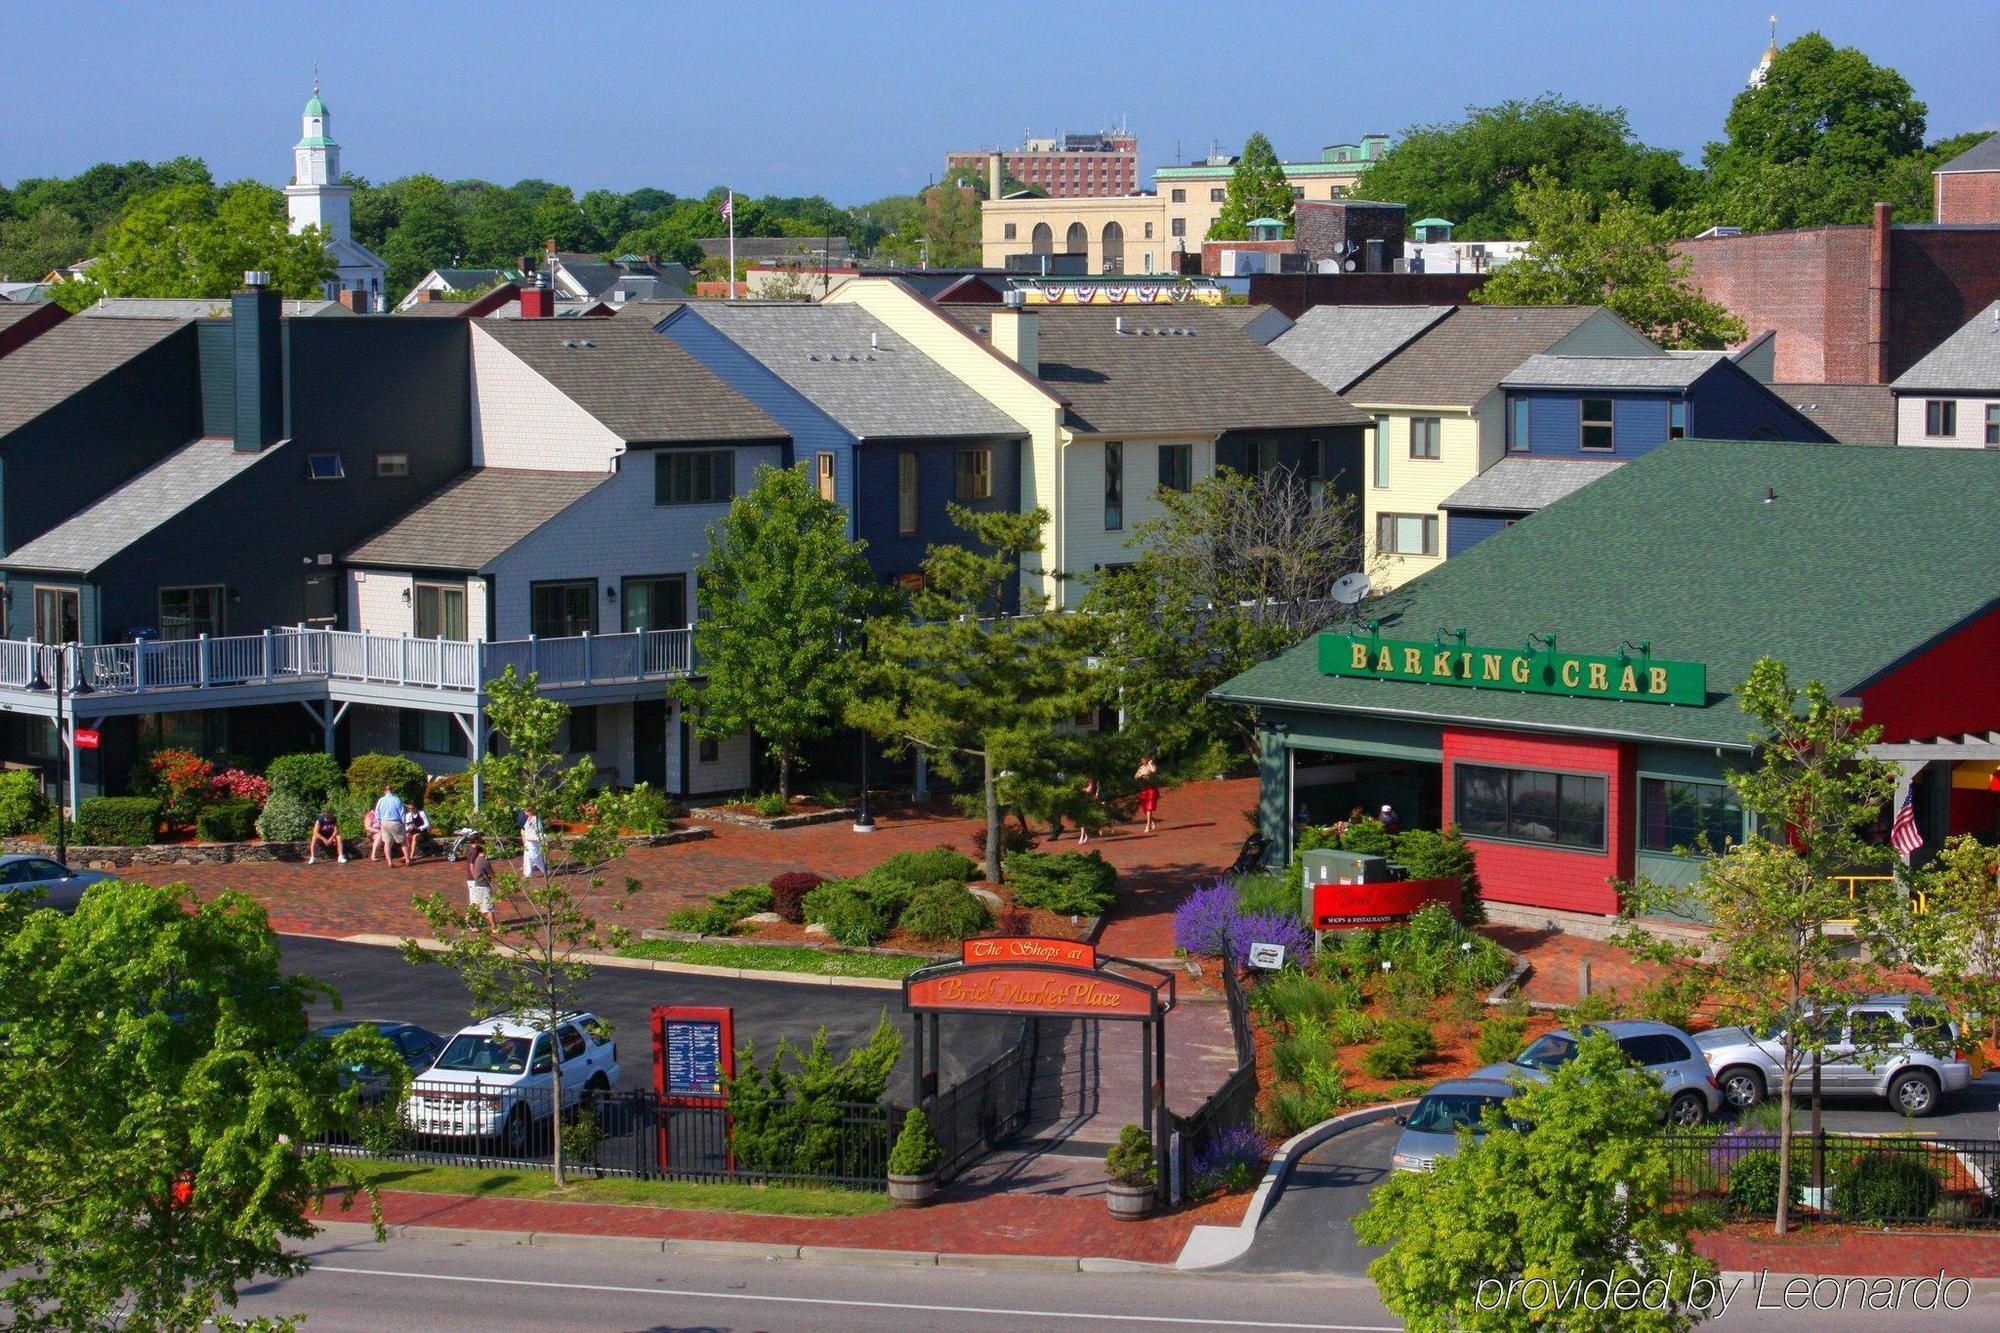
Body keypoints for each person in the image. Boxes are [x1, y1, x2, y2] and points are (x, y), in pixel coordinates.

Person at [464, 837, 497, 929]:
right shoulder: (475, 852)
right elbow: (471, 867)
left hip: (475, 881)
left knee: (476, 902)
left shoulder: (472, 850)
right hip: (474, 881)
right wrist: (477, 880)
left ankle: (472, 920)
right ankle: (468, 921)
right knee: (475, 902)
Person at [374, 785, 408, 866]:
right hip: (395, 822)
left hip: (384, 822)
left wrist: (380, 821)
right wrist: (403, 823)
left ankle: (389, 862)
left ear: (384, 791)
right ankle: (407, 860)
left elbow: (377, 813)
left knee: (387, 843)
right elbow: (402, 813)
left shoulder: (381, 800)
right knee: (403, 842)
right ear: (392, 791)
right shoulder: (396, 799)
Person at [1134, 754, 1160, 834]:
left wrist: (1150, 763)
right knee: (1145, 808)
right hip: (1143, 789)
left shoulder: (1151, 766)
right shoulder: (1141, 768)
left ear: (1147, 760)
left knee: (1149, 807)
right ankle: (1151, 821)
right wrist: (1141, 775)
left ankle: (1148, 826)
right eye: (1142, 760)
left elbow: (1154, 771)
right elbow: (1135, 776)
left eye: (1143, 760)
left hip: (1151, 789)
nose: (1142, 761)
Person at [519, 807, 546, 877]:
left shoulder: (536, 819)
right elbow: (525, 829)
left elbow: (540, 829)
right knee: (527, 856)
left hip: (534, 840)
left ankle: (545, 870)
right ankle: (528, 874)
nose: (525, 812)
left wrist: (541, 839)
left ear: (531, 811)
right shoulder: (527, 819)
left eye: (526, 811)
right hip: (528, 840)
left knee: (536, 857)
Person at [1077, 779, 1100, 845]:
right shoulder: (1089, 788)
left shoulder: (1091, 789)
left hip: (1088, 808)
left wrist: (1082, 789)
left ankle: (1083, 837)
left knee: (1084, 823)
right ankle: (1086, 836)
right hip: (1083, 807)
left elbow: (1087, 791)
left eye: (1091, 782)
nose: (1089, 783)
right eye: (1089, 782)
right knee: (1082, 824)